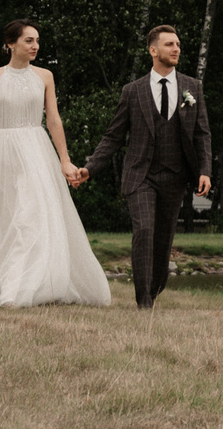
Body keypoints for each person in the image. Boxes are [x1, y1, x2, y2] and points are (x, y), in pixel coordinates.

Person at [0, 20, 112, 308]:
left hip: (36, 151)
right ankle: (8, 282)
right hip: (2, 153)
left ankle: (26, 286)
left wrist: (65, 161)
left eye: (37, 40)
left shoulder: (45, 76)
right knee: (5, 220)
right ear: (10, 44)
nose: (35, 45)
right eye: (29, 40)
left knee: (31, 215)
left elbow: (54, 120)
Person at [80, 24, 211, 310]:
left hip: (175, 177)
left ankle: (154, 289)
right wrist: (91, 167)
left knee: (163, 241)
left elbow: (202, 134)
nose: (176, 49)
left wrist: (205, 170)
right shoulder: (132, 91)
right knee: (144, 231)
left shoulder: (192, 88)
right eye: (169, 44)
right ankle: (144, 303)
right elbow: (113, 136)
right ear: (153, 50)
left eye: (178, 44)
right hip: (141, 176)